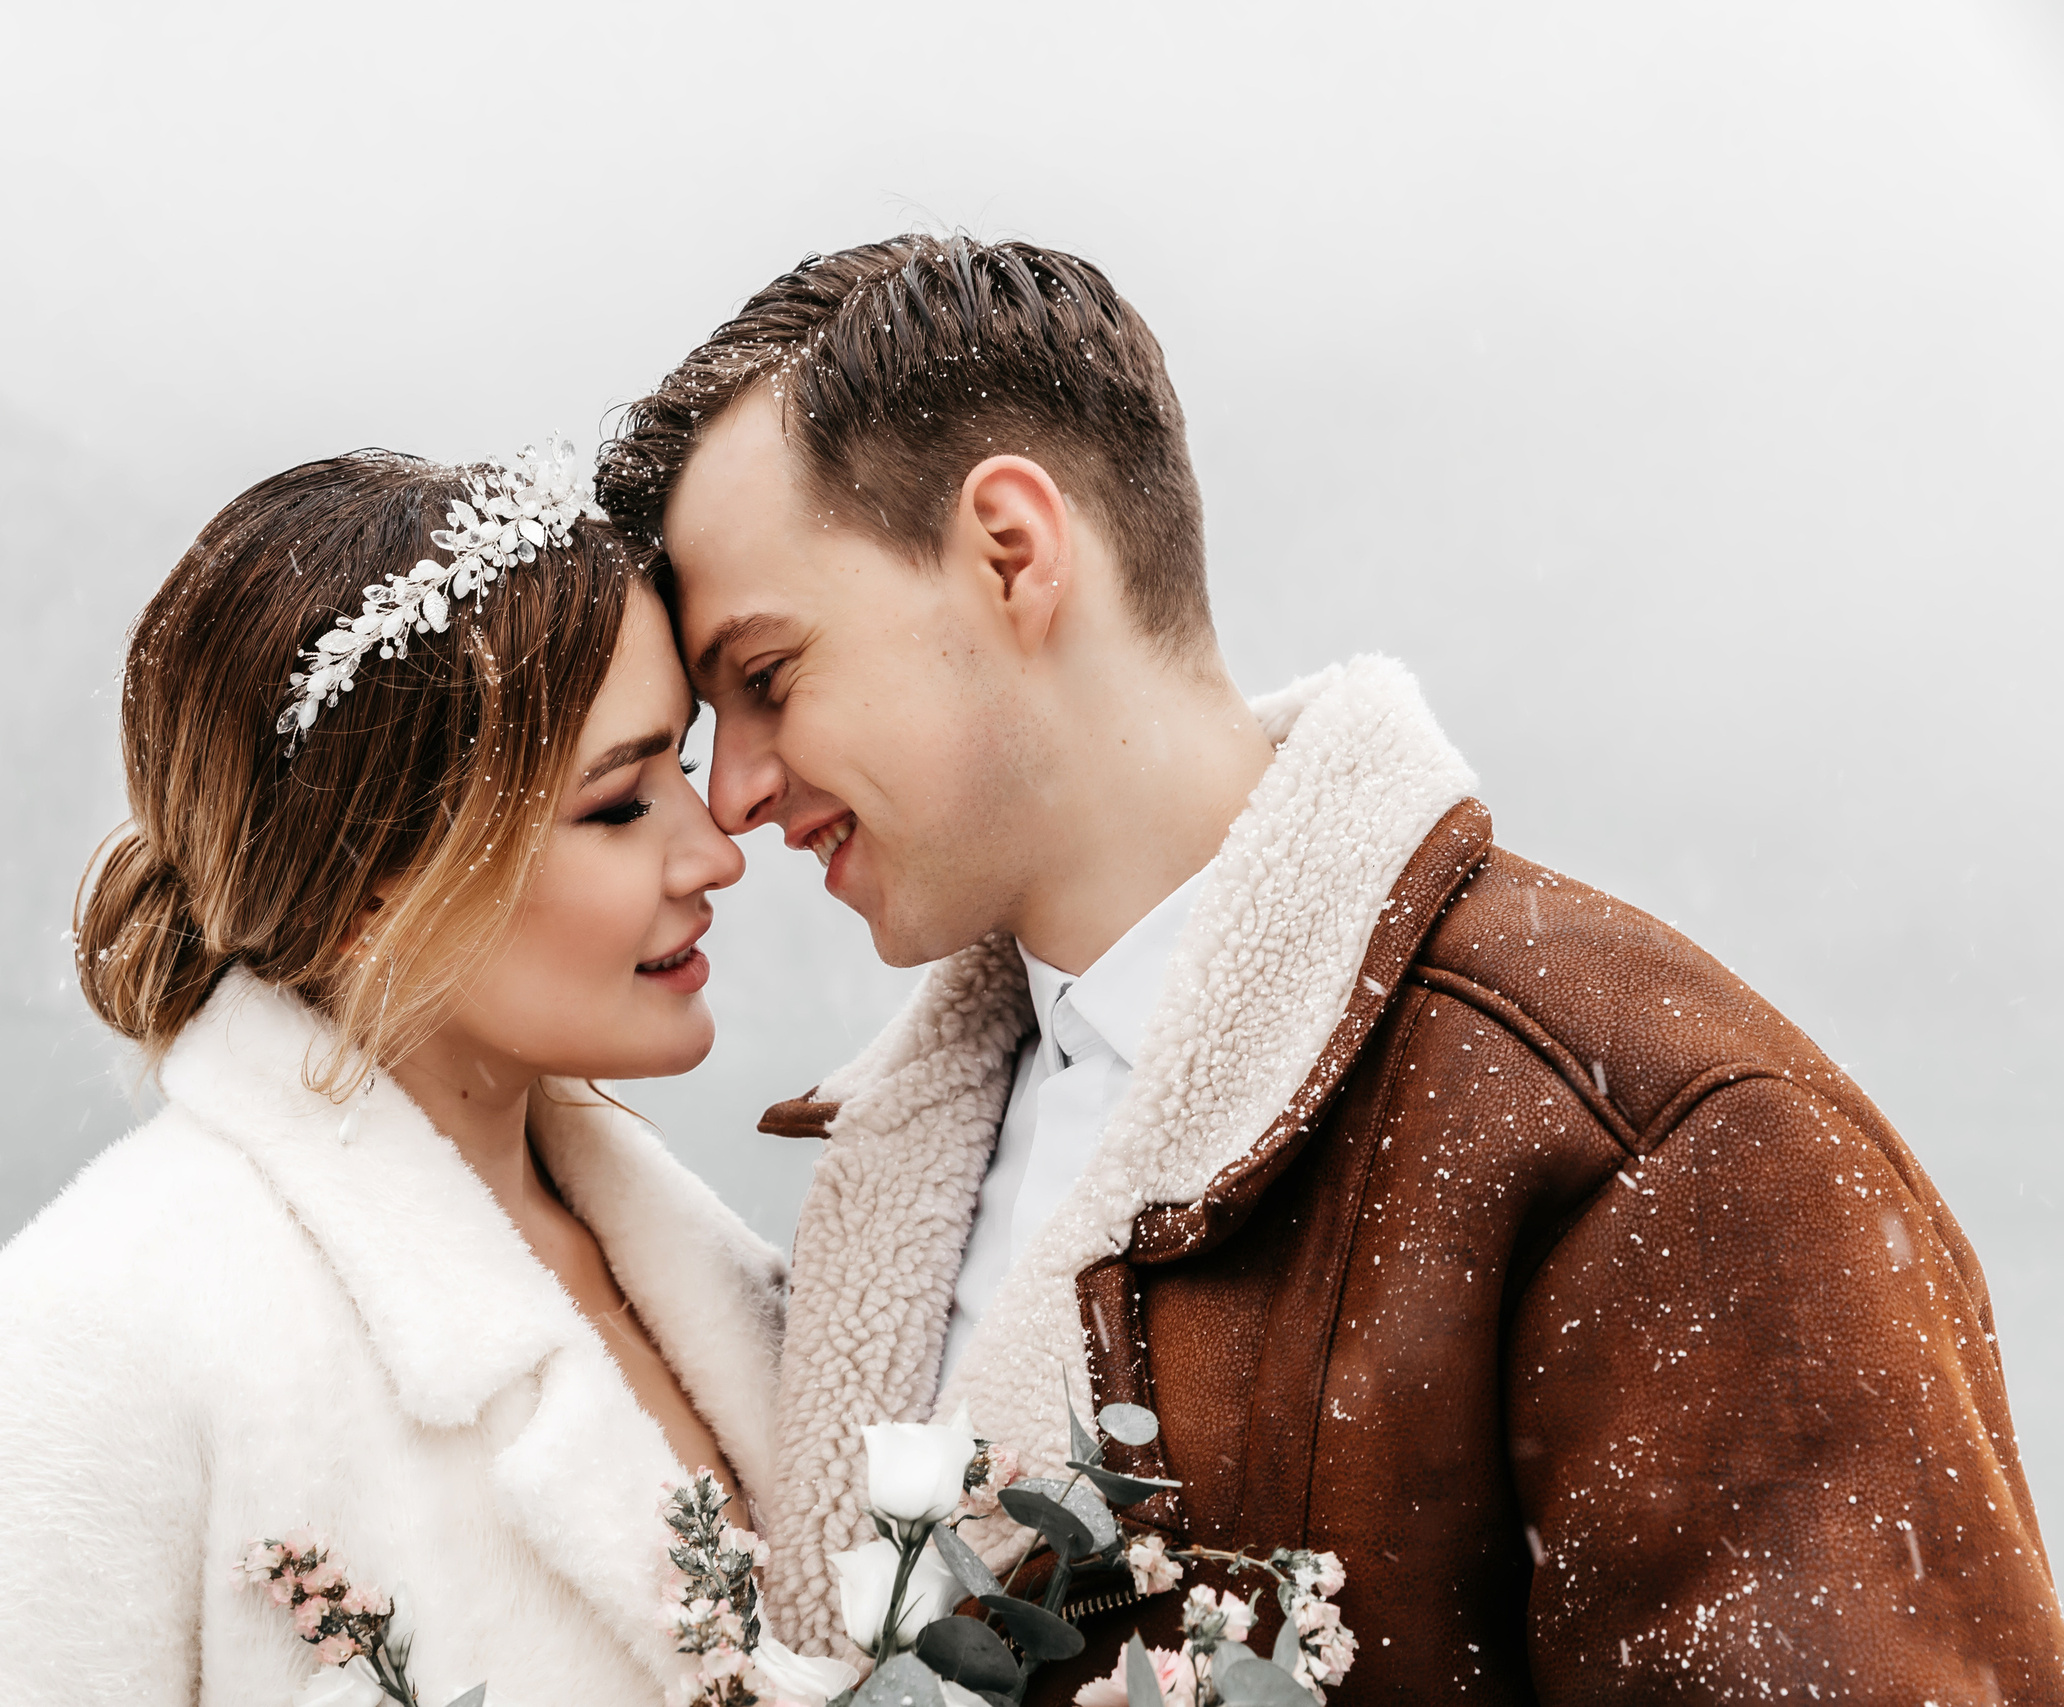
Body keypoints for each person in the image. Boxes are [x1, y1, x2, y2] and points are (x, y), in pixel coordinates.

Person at [597, 235, 2064, 1701]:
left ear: (1010, 552)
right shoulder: (898, 1181)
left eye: (769, 677)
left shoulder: (1664, 1134)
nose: (733, 795)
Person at [0, 447, 781, 1705]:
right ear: (373, 886)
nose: (716, 854)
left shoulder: (715, 1283)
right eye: (618, 806)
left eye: (680, 769)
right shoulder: (98, 1340)